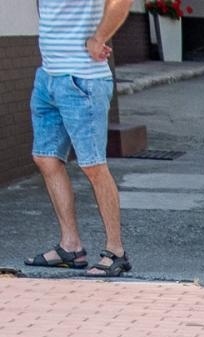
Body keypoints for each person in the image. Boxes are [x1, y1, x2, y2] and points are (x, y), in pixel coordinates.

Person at [27, 0, 133, 277]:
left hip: (82, 79)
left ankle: (116, 251)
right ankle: (71, 247)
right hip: (47, 77)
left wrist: (99, 37)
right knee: (46, 159)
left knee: (93, 165)